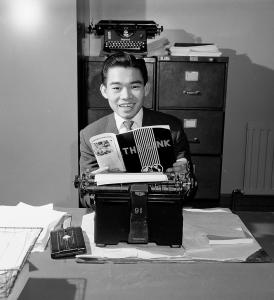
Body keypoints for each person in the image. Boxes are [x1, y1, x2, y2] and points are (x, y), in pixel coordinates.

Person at [79, 51, 193, 177]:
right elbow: (86, 193)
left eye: (134, 87)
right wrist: (95, 180)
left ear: (146, 89)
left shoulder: (173, 129)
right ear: (104, 91)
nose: (126, 96)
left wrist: (184, 174)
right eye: (116, 88)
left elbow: (189, 190)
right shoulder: (90, 136)